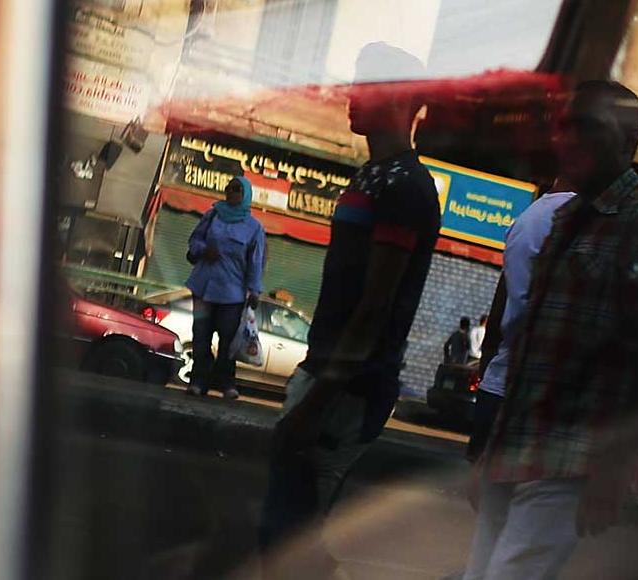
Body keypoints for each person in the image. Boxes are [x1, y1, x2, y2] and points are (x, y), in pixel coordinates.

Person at [463, 81, 638, 580]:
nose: (570, 139)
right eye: (566, 126)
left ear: (627, 141)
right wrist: (493, 455)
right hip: (520, 448)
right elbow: (528, 344)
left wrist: (612, 468)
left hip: (575, 461)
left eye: (589, 127)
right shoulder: (564, 218)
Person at [259, 42, 440, 578]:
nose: (351, 95)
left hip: (350, 391)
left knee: (288, 537)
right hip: (330, 379)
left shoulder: (405, 187)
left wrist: (316, 402)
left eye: (366, 84)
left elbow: (375, 305)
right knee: (291, 533)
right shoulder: (372, 177)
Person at [466, 190, 576, 463]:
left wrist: (490, 373)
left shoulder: (529, 217)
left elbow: (499, 310)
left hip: (500, 387)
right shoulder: (590, 220)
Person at [185, 176, 266, 400]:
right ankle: (198, 381)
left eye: (237, 189)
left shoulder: (254, 228)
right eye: (229, 188)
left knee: (228, 341)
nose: (231, 193)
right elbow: (194, 240)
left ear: (246, 195)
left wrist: (254, 290)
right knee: (200, 336)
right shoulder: (212, 216)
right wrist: (203, 250)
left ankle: (226, 383)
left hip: (232, 294)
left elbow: (256, 262)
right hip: (203, 288)